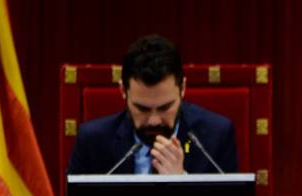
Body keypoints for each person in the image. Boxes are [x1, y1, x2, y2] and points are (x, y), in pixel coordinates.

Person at [68, 35, 238, 176]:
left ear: (183, 89)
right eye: (142, 109)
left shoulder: (215, 137)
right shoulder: (93, 141)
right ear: (123, 91)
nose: (154, 121)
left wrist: (183, 183)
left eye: (165, 108)